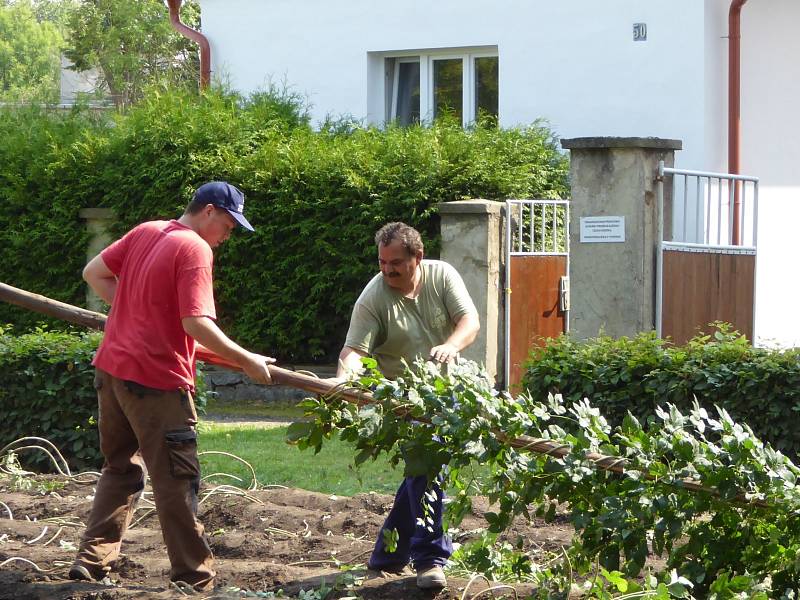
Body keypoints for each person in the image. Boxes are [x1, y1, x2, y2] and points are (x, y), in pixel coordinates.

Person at [69, 181, 275, 591]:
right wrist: (246, 359)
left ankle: (92, 560)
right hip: (155, 383)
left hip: (111, 373)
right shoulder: (194, 248)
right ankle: (194, 577)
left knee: (119, 468)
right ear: (210, 211)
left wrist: (136, 314)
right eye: (229, 225)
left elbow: (94, 273)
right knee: (176, 483)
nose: (227, 236)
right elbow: (196, 323)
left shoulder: (148, 231)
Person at [335, 222, 480, 589]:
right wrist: (344, 382)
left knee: (421, 473)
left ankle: (388, 555)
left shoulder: (442, 276)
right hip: (403, 401)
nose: (387, 270)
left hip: (447, 393)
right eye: (382, 262)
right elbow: (354, 350)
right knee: (427, 468)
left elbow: (469, 321)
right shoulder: (374, 296)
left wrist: (451, 345)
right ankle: (430, 558)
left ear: (418, 257)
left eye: (395, 262)